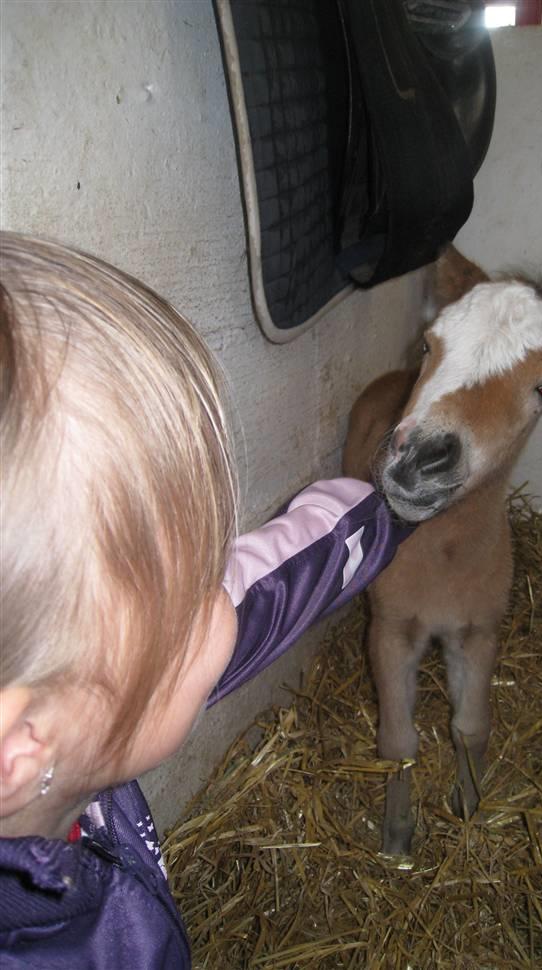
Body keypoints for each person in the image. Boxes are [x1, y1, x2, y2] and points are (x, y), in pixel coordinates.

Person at [0, 232, 411, 968]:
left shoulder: (69, 718)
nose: (220, 599)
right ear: (18, 751)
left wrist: (389, 512)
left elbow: (267, 587)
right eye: (191, 594)